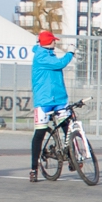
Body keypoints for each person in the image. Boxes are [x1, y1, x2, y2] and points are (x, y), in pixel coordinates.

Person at [28, 31, 74, 182]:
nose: (55, 42)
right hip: (44, 101)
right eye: (53, 40)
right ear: (48, 42)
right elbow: (60, 64)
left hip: (59, 99)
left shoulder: (50, 54)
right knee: (40, 134)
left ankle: (72, 157)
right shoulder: (41, 56)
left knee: (67, 127)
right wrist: (70, 53)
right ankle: (34, 168)